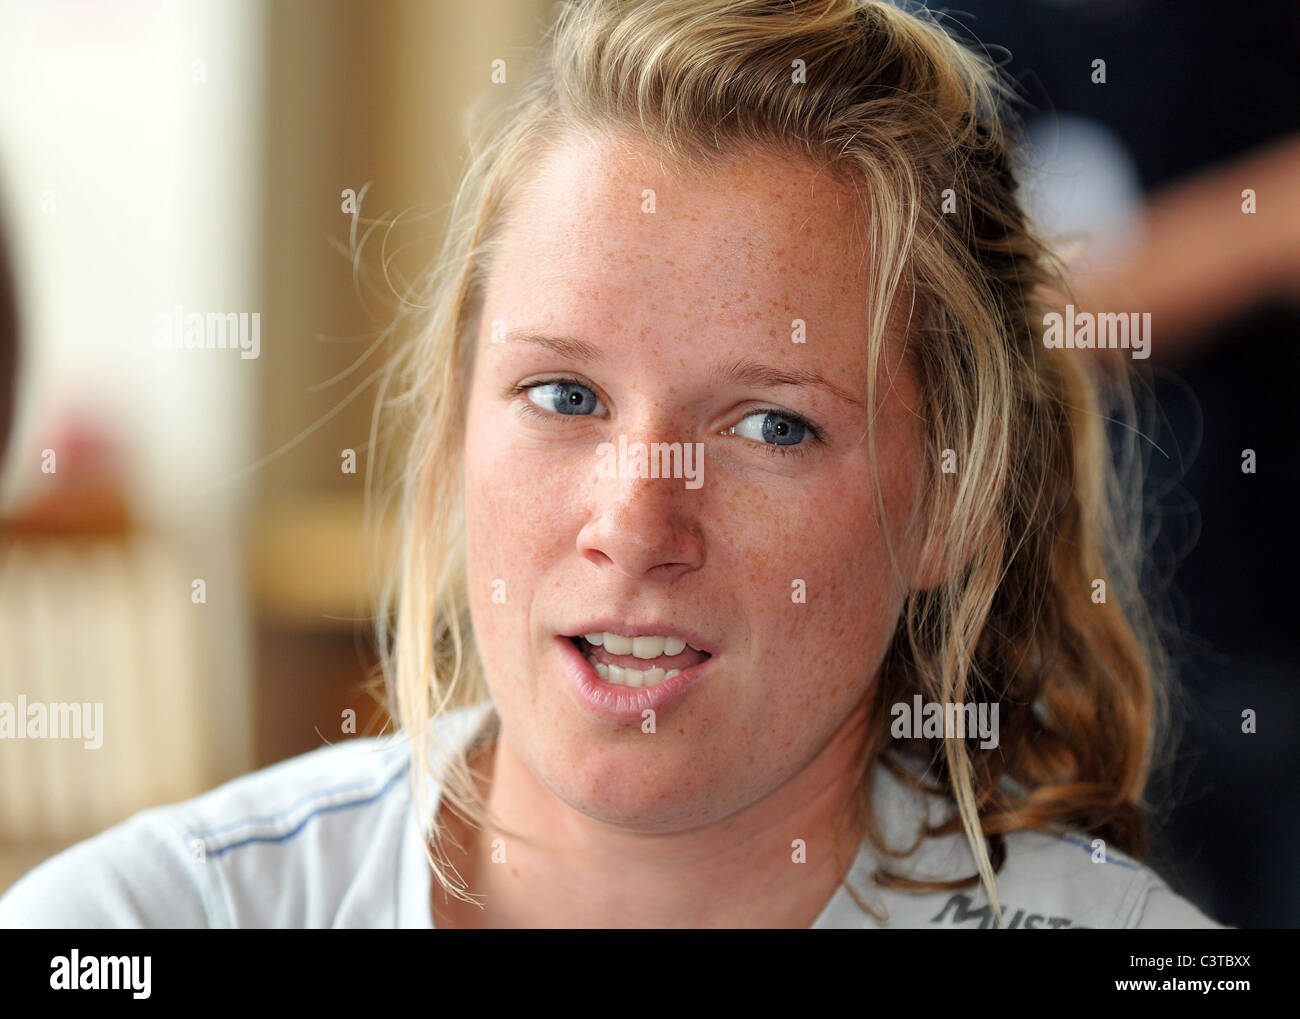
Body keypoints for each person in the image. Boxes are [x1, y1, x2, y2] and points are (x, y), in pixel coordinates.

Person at [0, 0, 1224, 929]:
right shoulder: (129, 922)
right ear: (449, 435)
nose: (635, 522)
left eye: (771, 426)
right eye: (563, 395)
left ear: (951, 503)